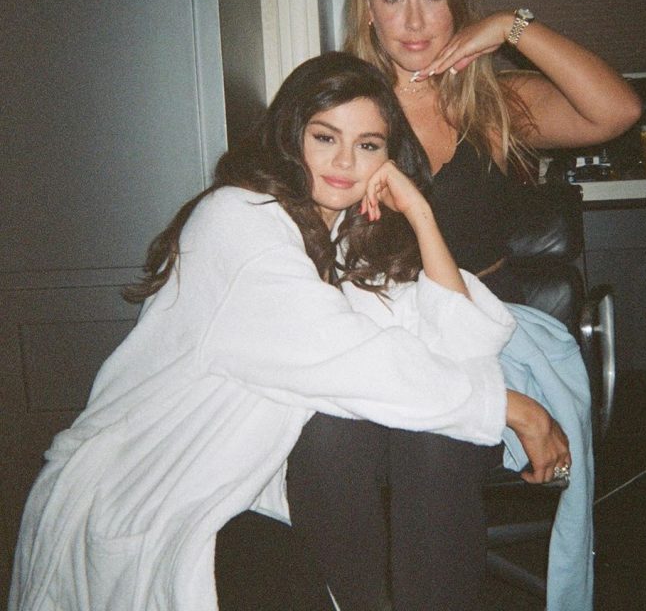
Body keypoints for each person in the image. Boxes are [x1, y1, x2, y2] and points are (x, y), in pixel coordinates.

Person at [9, 52, 567, 611]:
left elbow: (461, 344)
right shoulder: (238, 218)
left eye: (368, 145)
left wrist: (421, 215)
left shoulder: (346, 235)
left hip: (251, 475)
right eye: (325, 137)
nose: (345, 161)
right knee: (358, 426)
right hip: (161, 477)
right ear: (291, 137)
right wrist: (516, 409)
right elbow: (345, 357)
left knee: (419, 431)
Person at [287, 0, 643, 611]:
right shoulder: (343, 107)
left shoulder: (495, 103)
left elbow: (618, 110)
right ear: (368, 8)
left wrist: (512, 28)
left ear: (458, 2)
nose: (415, 20)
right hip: (377, 331)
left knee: (437, 440)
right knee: (326, 445)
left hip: (485, 331)